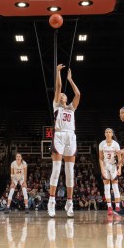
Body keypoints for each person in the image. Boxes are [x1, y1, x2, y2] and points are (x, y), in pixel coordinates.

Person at [48, 64, 80, 218]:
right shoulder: (56, 106)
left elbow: (78, 94)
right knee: (56, 169)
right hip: (59, 135)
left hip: (71, 136)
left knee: (70, 173)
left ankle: (69, 203)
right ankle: (52, 202)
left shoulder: (71, 108)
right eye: (60, 96)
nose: (61, 96)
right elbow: (59, 86)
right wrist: (58, 72)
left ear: (66, 99)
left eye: (63, 96)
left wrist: (71, 80)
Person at [98, 128, 122, 215]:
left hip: (113, 166)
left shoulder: (116, 144)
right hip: (105, 166)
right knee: (107, 187)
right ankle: (109, 207)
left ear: (112, 134)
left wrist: (119, 168)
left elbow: (120, 158)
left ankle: (118, 207)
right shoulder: (102, 144)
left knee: (115, 187)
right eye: (106, 132)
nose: (108, 133)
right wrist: (102, 169)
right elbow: (100, 158)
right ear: (105, 134)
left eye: (109, 132)